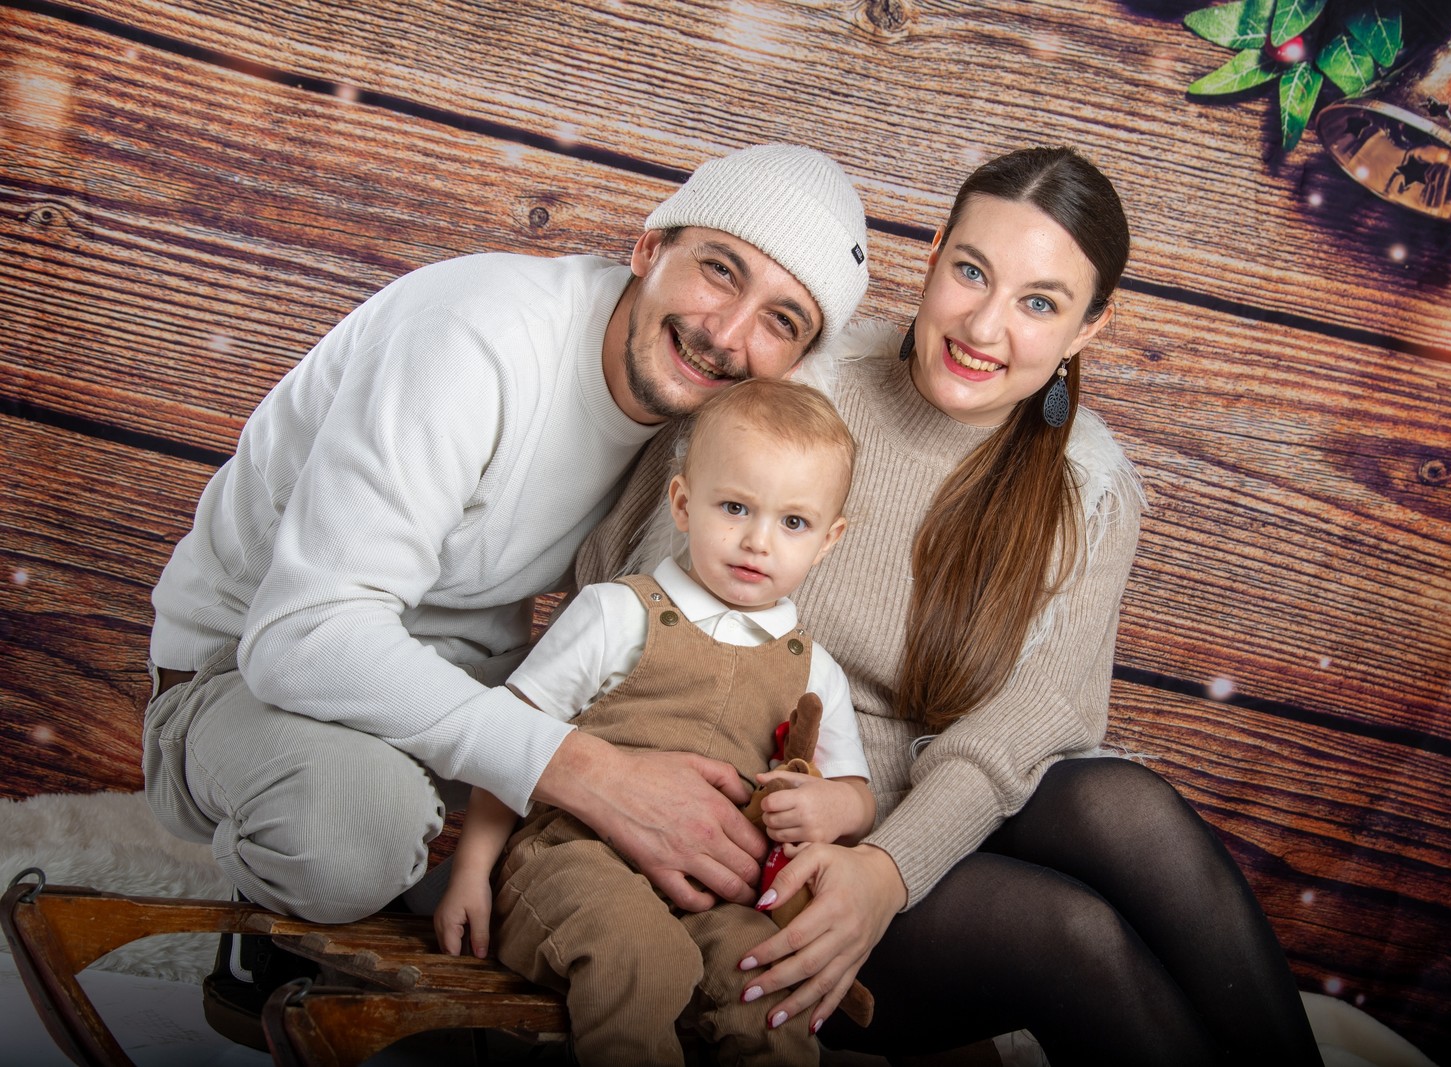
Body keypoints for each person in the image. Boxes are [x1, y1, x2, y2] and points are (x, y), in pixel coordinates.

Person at [578, 146, 1324, 1065]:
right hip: (755, 824)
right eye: (972, 271)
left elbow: (1030, 726)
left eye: (1039, 303)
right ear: (932, 255)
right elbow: (627, 588)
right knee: (1072, 934)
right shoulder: (797, 390)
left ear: (1089, 328)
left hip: (923, 829)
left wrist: (888, 867)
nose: (984, 325)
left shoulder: (1086, 489)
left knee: (1120, 803)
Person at [139, 143, 869, 1038]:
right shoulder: (476, 334)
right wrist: (591, 773)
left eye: (782, 320)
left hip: (464, 692)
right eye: (720, 270)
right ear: (649, 247)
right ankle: (278, 913)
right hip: (247, 676)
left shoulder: (703, 431)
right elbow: (303, 635)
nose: (727, 332)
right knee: (358, 830)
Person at [434, 378, 873, 1066]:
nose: (757, 541)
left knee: (768, 985)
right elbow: (512, 739)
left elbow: (858, 796)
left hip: (719, 896)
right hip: (571, 863)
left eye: (793, 523)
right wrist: (470, 870)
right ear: (682, 503)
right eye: (735, 507)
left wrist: (835, 804)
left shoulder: (814, 669)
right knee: (642, 955)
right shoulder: (618, 613)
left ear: (827, 540)